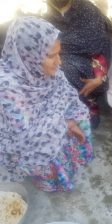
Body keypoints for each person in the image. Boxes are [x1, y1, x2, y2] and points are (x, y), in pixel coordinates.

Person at [0, 17, 93, 192]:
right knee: (48, 148)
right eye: (51, 56)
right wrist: (65, 124)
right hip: (24, 142)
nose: (60, 61)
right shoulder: (7, 88)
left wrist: (72, 120)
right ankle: (48, 180)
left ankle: (70, 162)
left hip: (52, 124)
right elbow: (26, 138)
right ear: (29, 55)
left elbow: (67, 96)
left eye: (59, 53)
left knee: (82, 118)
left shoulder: (50, 71)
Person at [44, 0, 112, 128]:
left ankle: (84, 109)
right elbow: (48, 45)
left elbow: (102, 45)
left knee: (65, 70)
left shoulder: (87, 11)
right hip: (60, 57)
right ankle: (65, 114)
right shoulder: (49, 15)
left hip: (93, 62)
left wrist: (100, 77)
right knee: (52, 68)